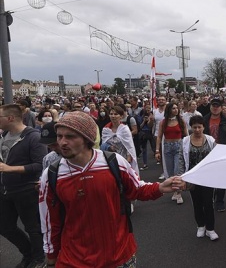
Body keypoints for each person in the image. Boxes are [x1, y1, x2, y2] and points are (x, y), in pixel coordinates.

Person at [39, 111, 183, 267]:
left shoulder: (113, 162)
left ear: (87, 138)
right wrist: (51, 255)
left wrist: (160, 187)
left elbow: (137, 189)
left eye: (70, 137)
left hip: (119, 256)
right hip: (75, 260)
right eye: (59, 136)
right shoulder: (51, 175)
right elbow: (49, 221)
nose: (62, 142)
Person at [0, 104, 48, 268]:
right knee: (5, 226)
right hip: (5, 188)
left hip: (26, 189)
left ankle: (39, 259)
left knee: (32, 228)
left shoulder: (33, 137)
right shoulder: (4, 135)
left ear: (10, 118)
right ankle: (29, 253)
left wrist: (11, 169)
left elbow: (40, 164)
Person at [178, 115, 219, 240]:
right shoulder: (185, 141)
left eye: (199, 127)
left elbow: (217, 157)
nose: (197, 130)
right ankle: (200, 226)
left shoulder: (211, 140)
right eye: (194, 127)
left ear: (203, 127)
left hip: (207, 177)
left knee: (208, 203)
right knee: (197, 203)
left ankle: (210, 229)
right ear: (191, 127)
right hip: (192, 178)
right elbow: (181, 159)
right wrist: (181, 178)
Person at [203, 98, 226, 212]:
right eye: (213, 105)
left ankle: (220, 201)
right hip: (207, 151)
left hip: (222, 151)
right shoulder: (204, 120)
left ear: (220, 107)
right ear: (210, 107)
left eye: (217, 106)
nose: (215, 108)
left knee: (221, 176)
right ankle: (210, 197)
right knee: (208, 176)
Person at [155, 102, 187, 204]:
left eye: (177, 108)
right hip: (167, 148)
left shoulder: (181, 121)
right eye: (173, 108)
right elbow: (159, 137)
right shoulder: (163, 122)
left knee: (178, 170)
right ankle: (175, 190)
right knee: (170, 172)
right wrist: (157, 151)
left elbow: (186, 136)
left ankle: (179, 193)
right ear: (169, 110)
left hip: (179, 146)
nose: (176, 110)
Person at [101, 106, 139, 175]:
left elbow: (129, 145)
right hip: (111, 158)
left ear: (121, 116)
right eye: (111, 114)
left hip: (123, 158)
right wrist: (109, 147)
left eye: (115, 114)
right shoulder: (106, 129)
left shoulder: (124, 129)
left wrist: (128, 158)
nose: (113, 116)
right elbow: (103, 144)